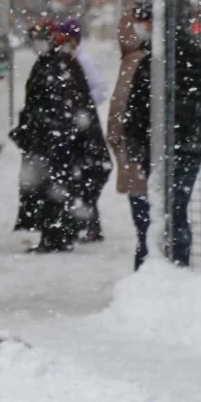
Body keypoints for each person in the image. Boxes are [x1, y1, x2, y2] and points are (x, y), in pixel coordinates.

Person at [121, 0, 201, 268]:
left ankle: (160, 271)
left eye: (143, 21)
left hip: (170, 149)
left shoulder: (169, 55)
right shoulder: (162, 53)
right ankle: (167, 269)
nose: (139, 26)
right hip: (172, 147)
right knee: (168, 214)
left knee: (160, 216)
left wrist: (162, 121)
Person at [12, 18, 111, 252]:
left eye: (37, 39)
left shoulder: (57, 65)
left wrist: (48, 136)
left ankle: (56, 236)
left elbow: (58, 108)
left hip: (55, 142)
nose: (34, 44)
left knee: (55, 187)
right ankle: (61, 232)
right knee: (59, 187)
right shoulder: (57, 62)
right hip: (56, 140)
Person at [106, 0, 153, 262]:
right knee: (145, 226)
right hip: (135, 154)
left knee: (147, 227)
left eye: (127, 24)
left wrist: (125, 145)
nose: (121, 31)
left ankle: (148, 272)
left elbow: (125, 110)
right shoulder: (134, 59)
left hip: (139, 155)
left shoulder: (140, 62)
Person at [62, 17, 110, 241]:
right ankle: (87, 224)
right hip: (79, 123)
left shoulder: (83, 62)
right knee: (82, 176)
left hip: (84, 124)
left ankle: (90, 225)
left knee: (86, 175)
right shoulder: (71, 59)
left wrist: (82, 107)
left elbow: (99, 90)